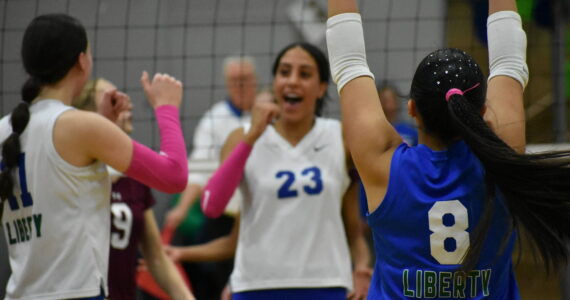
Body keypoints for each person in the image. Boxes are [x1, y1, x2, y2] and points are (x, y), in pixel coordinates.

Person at [326, 0, 570, 298]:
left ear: (412, 109)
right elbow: (509, 62)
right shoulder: (502, 161)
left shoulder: (385, 166)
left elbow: (348, 63)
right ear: (482, 112)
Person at [0, 14, 188, 299]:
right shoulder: (80, 126)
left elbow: (61, 177)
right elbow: (174, 176)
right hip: (78, 293)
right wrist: (166, 108)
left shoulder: (5, 129)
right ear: (81, 60)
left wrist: (103, 125)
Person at [200, 42, 372, 300]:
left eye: (304, 74)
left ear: (321, 87)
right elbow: (212, 206)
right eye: (284, 72)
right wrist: (253, 136)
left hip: (326, 284)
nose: (292, 81)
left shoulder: (341, 137)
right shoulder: (241, 137)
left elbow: (353, 229)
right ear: (274, 83)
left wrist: (361, 267)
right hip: (256, 285)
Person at [72, 78, 194, 300]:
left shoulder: (134, 178)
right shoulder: (74, 173)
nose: (127, 104)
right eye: (114, 99)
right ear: (89, 114)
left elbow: (156, 257)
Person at [164, 56, 258, 300]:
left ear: (255, 81)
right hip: (223, 221)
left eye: (245, 79)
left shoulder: (269, 114)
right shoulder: (214, 119)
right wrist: (182, 209)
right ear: (227, 83)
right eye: (235, 80)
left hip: (258, 217)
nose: (241, 85)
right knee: (215, 286)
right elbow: (199, 170)